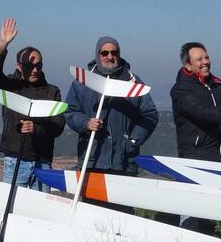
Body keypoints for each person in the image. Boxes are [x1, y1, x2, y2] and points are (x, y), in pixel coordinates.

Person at [0, 17, 65, 189]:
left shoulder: (52, 91)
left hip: (42, 161)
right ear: (19, 66)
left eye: (39, 65)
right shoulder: (10, 85)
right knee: (12, 202)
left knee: (40, 205)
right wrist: (2, 45)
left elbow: (58, 126)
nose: (35, 70)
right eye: (29, 66)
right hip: (15, 159)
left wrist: (36, 128)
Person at [64, 36, 158, 182]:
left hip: (124, 161)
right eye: (104, 53)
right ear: (97, 54)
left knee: (122, 198)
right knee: (91, 198)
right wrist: (86, 123)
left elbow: (149, 114)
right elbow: (70, 111)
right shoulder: (82, 82)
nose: (110, 57)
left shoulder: (133, 82)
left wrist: (133, 140)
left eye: (114, 53)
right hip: (92, 159)